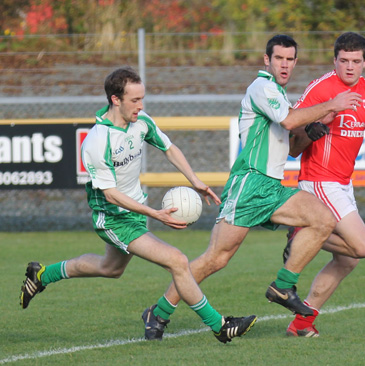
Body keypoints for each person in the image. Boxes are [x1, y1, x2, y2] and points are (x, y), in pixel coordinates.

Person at [141, 35, 363, 341]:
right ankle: (159, 312)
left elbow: (293, 147)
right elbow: (287, 122)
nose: (284, 64)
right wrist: (331, 104)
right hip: (248, 185)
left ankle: (283, 285)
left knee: (323, 219)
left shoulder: (279, 94)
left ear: (295, 62)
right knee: (215, 259)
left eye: (290, 59)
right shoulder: (262, 87)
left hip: (271, 186)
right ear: (266, 60)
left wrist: (312, 131)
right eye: (279, 59)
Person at [19, 66, 258, 344]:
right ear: (115, 99)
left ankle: (42, 275)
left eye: (142, 99)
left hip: (134, 212)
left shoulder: (140, 121)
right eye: (134, 100)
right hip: (113, 218)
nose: (140, 105)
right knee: (178, 261)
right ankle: (220, 325)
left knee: (111, 269)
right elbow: (110, 194)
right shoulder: (97, 141)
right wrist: (154, 214)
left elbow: (168, 147)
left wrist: (194, 180)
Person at [284, 32, 365, 338]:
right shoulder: (321, 88)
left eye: (356, 61)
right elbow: (293, 137)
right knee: (363, 246)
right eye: (344, 60)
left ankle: (301, 324)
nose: (350, 67)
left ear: (364, 62)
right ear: (335, 61)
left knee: (347, 260)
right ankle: (302, 232)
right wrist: (312, 127)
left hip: (343, 184)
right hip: (318, 180)